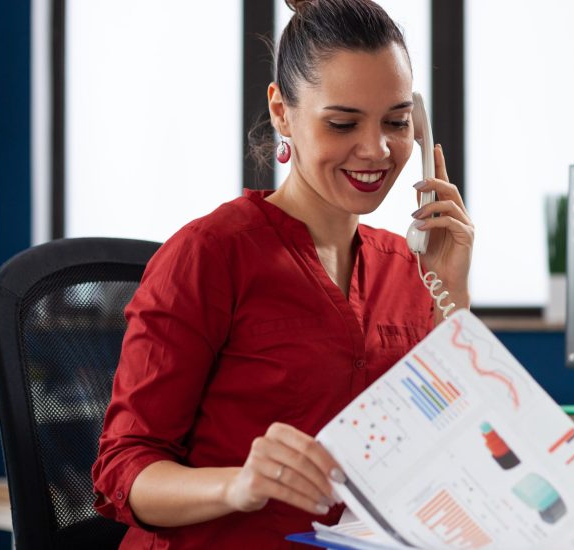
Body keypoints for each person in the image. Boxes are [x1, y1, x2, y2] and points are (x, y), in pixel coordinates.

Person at [90, 0, 474, 547]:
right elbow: (123, 468)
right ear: (281, 111)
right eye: (343, 122)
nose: (377, 149)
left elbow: (454, 448)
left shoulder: (411, 265)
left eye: (396, 121)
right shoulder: (209, 254)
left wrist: (451, 292)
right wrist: (237, 486)